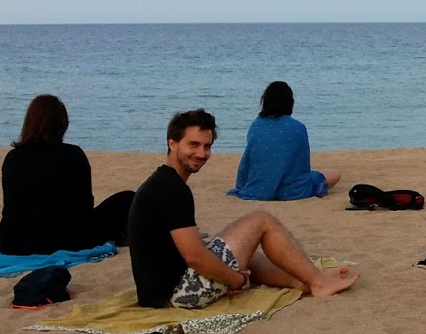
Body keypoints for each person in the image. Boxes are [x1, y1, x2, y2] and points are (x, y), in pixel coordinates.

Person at [128, 109, 359, 310]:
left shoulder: (163, 182)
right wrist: (236, 280)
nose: (201, 153)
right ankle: (319, 283)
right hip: (178, 293)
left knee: (247, 250)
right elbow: (194, 256)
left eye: (207, 146)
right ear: (173, 143)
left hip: (160, 291)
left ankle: (304, 281)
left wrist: (232, 271)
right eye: (194, 145)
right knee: (261, 220)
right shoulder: (171, 189)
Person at [0, 94, 134, 256]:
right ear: (62, 124)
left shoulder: (13, 158)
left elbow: (11, 204)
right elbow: (85, 206)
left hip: (12, 243)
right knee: (128, 198)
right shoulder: (73, 155)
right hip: (65, 241)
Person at [228, 81, 341, 201]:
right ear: (289, 102)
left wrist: (243, 185)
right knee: (335, 174)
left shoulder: (256, 125)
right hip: (293, 190)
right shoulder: (298, 127)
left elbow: (247, 162)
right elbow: (303, 166)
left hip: (258, 188)